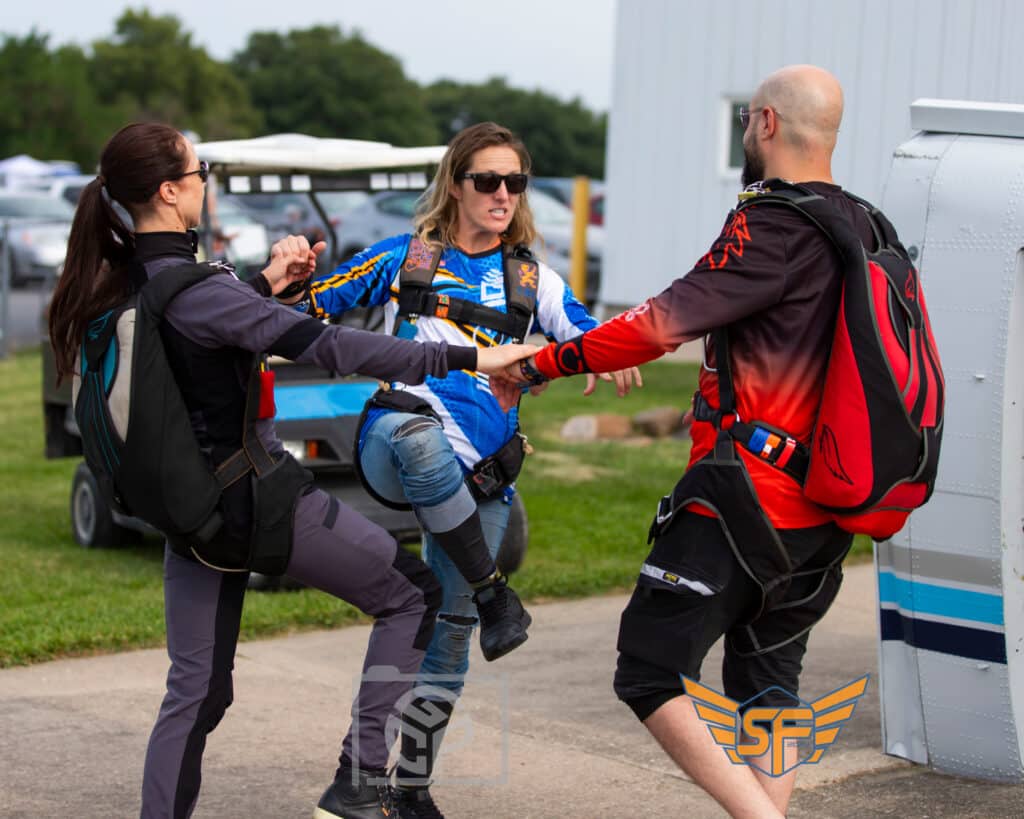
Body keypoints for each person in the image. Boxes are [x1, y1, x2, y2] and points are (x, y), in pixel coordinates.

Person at [46, 122, 537, 819]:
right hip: (257, 499)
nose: (203, 182)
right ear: (168, 190)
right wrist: (469, 358)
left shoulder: (136, 278)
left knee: (196, 690)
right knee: (416, 594)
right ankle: (359, 780)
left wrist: (265, 284)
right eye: (198, 170)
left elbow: (201, 325)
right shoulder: (197, 289)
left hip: (193, 517)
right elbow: (337, 345)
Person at [499, 66, 873, 818]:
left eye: (744, 122)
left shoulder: (771, 223)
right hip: (830, 504)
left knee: (648, 669)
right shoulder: (866, 225)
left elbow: (662, 321)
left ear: (765, 124)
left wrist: (540, 362)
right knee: (769, 688)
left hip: (748, 497)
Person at [281, 121, 638, 818]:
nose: (503, 194)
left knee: (446, 634)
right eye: (487, 181)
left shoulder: (533, 278)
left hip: (482, 475)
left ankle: (404, 789)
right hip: (395, 436)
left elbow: (589, 333)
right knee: (420, 441)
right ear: (456, 185)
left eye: (515, 182)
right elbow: (309, 307)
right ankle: (494, 586)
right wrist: (289, 278)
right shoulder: (405, 257)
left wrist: (613, 351)